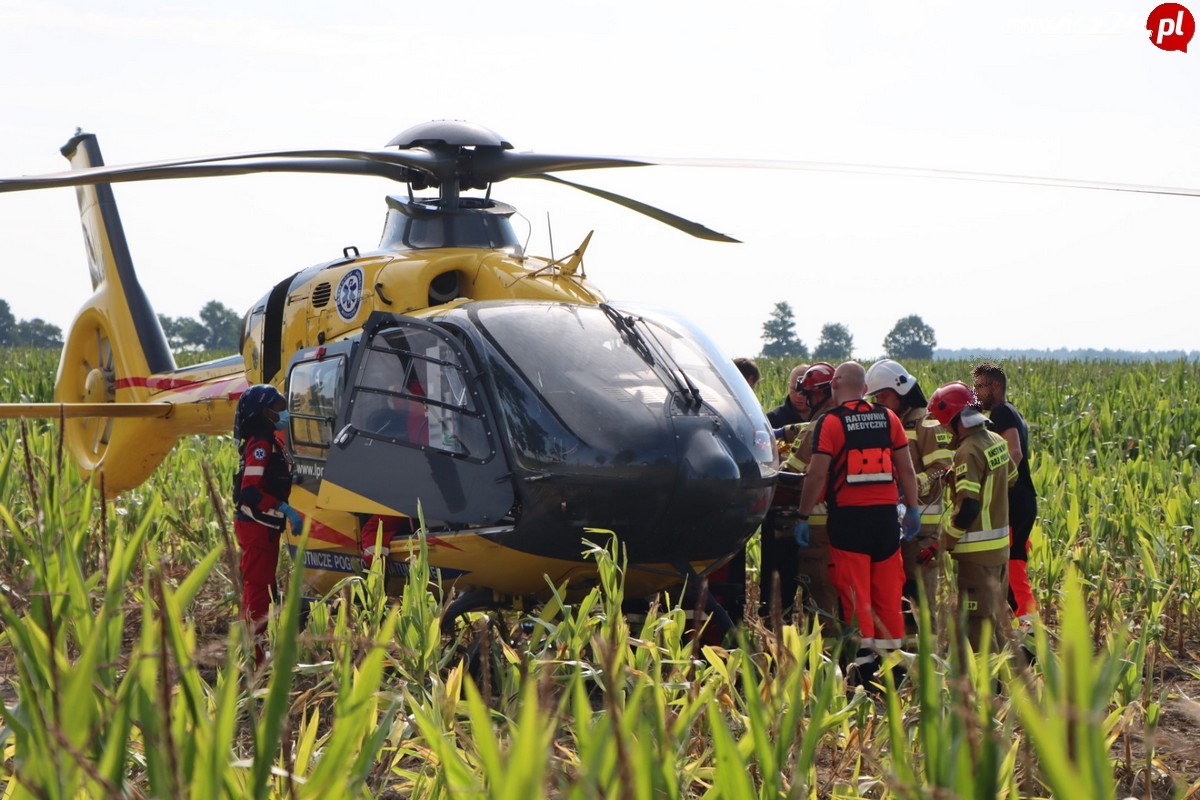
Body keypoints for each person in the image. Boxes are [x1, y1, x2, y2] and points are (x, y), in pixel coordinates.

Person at [795, 362, 921, 688]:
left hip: (849, 523)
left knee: (856, 597)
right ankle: (894, 671)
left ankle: (863, 673)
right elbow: (905, 470)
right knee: (889, 596)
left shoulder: (831, 423)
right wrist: (913, 509)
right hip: (885, 523)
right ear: (865, 389)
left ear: (834, 385)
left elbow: (817, 473)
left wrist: (802, 515)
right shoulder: (888, 418)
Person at [927, 381, 1016, 659]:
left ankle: (987, 691)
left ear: (956, 421)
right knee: (996, 620)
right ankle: (1005, 687)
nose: (943, 430)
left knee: (979, 627)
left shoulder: (968, 451)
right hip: (999, 551)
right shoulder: (996, 440)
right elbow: (1010, 478)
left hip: (977, 556)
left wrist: (942, 543)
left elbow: (967, 509)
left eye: (944, 423)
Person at [865, 359, 954, 634]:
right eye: (876, 397)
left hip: (922, 529)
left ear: (901, 392)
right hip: (896, 526)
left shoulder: (926, 423)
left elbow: (944, 468)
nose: (879, 401)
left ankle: (928, 663)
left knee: (921, 600)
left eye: (884, 395)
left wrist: (913, 485)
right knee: (898, 599)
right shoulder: (891, 422)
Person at [233, 384, 303, 662]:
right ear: (265, 412)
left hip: (264, 526)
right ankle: (256, 654)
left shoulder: (268, 442)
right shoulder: (260, 445)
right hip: (257, 525)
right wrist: (284, 508)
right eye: (278, 408)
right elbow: (250, 490)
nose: (283, 413)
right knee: (257, 588)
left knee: (258, 586)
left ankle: (253, 647)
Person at [971, 361, 1039, 627]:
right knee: (1012, 561)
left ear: (995, 387)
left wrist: (993, 482)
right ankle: (1024, 622)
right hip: (1020, 501)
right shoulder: (1010, 412)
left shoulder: (1002, 413)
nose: (976, 394)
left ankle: (1029, 625)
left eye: (980, 387)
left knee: (1012, 563)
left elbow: (1014, 452)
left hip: (1015, 501)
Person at [766, 363, 811, 427]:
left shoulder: (822, 418)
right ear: (788, 386)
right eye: (794, 389)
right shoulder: (772, 419)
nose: (799, 395)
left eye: (804, 390)